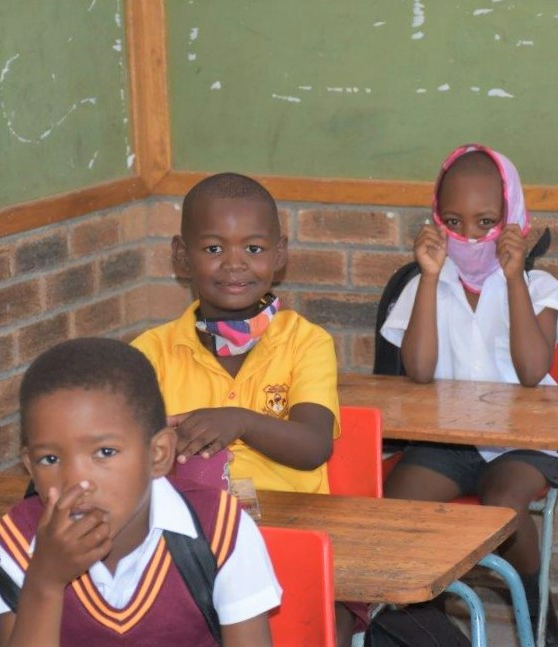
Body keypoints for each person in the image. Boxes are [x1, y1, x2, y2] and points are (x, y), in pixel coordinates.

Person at [131, 173, 360, 646]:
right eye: (213, 248)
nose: (234, 265)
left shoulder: (305, 343)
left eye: (253, 249)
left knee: (325, 626)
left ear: (279, 254)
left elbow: (314, 446)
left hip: (292, 539)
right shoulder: (150, 353)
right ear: (181, 255)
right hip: (192, 547)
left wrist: (237, 421)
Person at [380, 143, 558, 646]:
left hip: (523, 440)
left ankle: (537, 615)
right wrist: (429, 276)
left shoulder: (539, 284)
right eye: (454, 221)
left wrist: (512, 280)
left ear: (514, 219)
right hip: (449, 440)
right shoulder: (427, 284)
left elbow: (532, 371)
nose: (469, 236)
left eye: (486, 221)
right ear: (435, 221)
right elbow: (418, 370)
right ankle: (430, 625)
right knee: (396, 512)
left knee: (502, 505)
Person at [0, 337, 281, 646]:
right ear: (29, 466)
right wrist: (45, 581)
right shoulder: (22, 537)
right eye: (50, 459)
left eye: (105, 452)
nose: (77, 482)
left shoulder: (219, 530)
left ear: (158, 454)